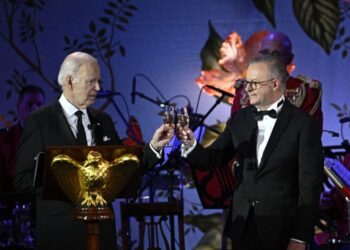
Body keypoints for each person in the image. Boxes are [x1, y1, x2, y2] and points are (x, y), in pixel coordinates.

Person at [153, 54, 324, 250]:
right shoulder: (240, 119)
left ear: (275, 84)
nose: (247, 88)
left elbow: (310, 187)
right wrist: (189, 144)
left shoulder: (303, 124)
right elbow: (211, 159)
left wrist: (300, 237)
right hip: (243, 227)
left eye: (255, 83)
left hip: (283, 230)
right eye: (247, 82)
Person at [14, 52, 124, 250]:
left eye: (99, 81)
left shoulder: (104, 120)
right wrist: (68, 184)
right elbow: (22, 179)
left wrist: (157, 149)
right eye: (91, 81)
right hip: (61, 234)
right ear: (69, 81)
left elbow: (121, 172)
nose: (97, 88)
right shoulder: (40, 121)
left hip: (102, 233)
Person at [225, 31, 323, 129]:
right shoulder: (244, 90)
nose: (269, 59)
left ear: (289, 58)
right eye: (265, 53)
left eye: (276, 54)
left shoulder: (306, 92)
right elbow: (234, 131)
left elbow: (310, 137)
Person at [0, 85, 45, 193]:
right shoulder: (3, 139)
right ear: (18, 107)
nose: (35, 109)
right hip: (12, 202)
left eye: (39, 104)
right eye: (29, 104)